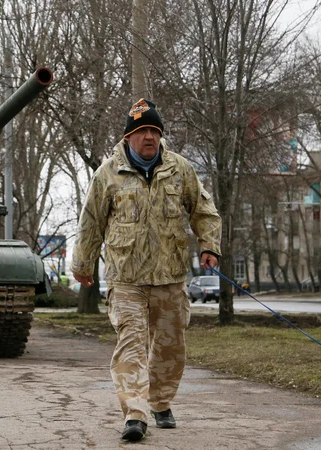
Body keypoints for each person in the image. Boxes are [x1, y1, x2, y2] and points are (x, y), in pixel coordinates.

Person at [71, 99, 222, 442]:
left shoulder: (180, 169)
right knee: (131, 345)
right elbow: (90, 223)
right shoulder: (107, 173)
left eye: (154, 130)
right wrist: (83, 264)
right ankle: (135, 414)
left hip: (170, 277)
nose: (149, 137)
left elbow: (204, 211)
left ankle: (160, 401)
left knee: (171, 347)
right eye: (142, 131)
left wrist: (210, 245)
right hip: (126, 280)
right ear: (128, 137)